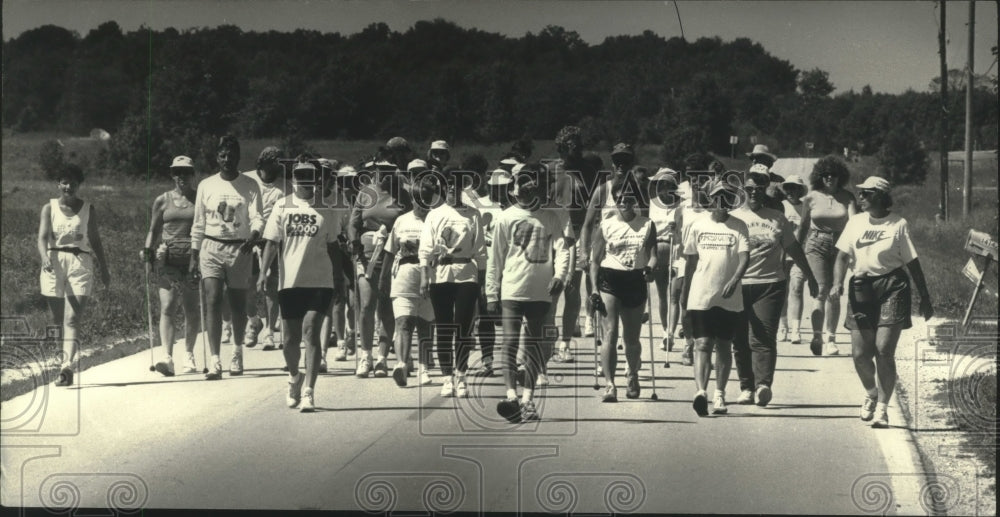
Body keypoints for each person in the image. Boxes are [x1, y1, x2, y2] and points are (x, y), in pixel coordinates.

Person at [832, 176, 933, 428]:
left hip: (892, 287)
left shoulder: (898, 224)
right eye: (861, 193)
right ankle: (871, 393)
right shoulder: (855, 222)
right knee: (859, 354)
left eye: (866, 193)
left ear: (880, 196)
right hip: (860, 288)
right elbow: (842, 258)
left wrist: (925, 296)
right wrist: (836, 283)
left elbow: (912, 262)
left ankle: (883, 409)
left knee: (883, 350)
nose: (861, 197)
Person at [258, 161, 345, 412]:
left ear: (316, 179)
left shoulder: (327, 209)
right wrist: (263, 273)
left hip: (320, 281)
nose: (305, 179)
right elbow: (272, 243)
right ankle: (294, 377)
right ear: (294, 178)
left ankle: (309, 391)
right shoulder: (282, 205)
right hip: (290, 282)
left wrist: (338, 278)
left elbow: (333, 246)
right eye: (300, 175)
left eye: (310, 175)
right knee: (290, 340)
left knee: (311, 333)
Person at [487, 164, 570, 422]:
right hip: (512, 288)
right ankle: (511, 395)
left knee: (533, 346)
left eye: (529, 186)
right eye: (520, 187)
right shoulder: (505, 217)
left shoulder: (551, 217)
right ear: (514, 190)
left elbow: (563, 249)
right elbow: (495, 258)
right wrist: (491, 292)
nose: (523, 191)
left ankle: (528, 399)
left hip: (541, 290)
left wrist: (560, 275)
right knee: (510, 342)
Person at [730, 172, 819, 407]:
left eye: (759, 188)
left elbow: (794, 248)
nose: (754, 192)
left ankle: (763, 385)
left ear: (766, 190)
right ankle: (746, 387)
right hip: (739, 284)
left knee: (763, 336)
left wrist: (810, 276)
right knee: (739, 339)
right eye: (749, 189)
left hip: (770, 283)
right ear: (743, 191)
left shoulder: (777, 218)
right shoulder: (734, 217)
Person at [189, 135, 264, 380]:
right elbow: (198, 223)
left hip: (240, 247)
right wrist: (194, 254)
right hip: (211, 246)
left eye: (231, 155)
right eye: (222, 155)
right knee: (212, 299)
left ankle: (237, 350)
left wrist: (254, 235)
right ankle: (214, 359)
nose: (227, 160)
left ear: (238, 158)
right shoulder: (206, 185)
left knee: (237, 303)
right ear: (217, 158)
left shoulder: (250, 185)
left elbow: (258, 217)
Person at [37, 163, 111, 387]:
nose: (68, 186)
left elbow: (96, 240)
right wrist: (44, 256)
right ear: (58, 183)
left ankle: (66, 366)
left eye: (73, 182)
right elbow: (41, 238)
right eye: (64, 182)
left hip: (81, 262)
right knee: (58, 320)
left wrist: (104, 269)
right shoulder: (48, 208)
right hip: (53, 262)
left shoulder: (89, 208)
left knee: (72, 318)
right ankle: (63, 363)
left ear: (79, 184)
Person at [681, 179, 749, 416]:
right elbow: (689, 261)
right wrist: (684, 293)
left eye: (727, 198)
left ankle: (719, 394)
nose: (722, 202)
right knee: (702, 343)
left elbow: (744, 258)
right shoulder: (697, 225)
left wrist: (734, 280)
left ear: (731, 202)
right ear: (711, 200)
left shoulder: (739, 226)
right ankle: (701, 392)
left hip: (729, 296)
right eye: (718, 197)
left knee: (723, 346)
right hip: (701, 294)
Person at [420, 166, 487, 398]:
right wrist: (423, 278)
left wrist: (483, 281)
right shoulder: (434, 214)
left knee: (463, 326)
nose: (452, 190)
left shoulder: (472, 214)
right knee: (444, 327)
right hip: (440, 273)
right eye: (449, 186)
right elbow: (426, 249)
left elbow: (480, 250)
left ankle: (461, 375)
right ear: (443, 188)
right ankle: (447, 376)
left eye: (457, 187)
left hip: (466, 273)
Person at [590, 179, 657, 402]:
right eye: (620, 198)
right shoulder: (606, 224)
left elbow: (654, 255)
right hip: (610, 279)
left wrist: (650, 267)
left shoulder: (647, 224)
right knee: (610, 333)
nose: (624, 202)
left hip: (635, 279)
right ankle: (610, 385)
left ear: (635, 200)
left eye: (629, 198)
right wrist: (593, 290)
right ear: (614, 200)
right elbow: (595, 261)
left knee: (632, 337)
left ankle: (632, 374)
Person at [349, 160, 412, 377]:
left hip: (391, 255)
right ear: (375, 172)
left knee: (386, 305)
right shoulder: (365, 193)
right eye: (380, 171)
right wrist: (353, 240)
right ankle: (365, 354)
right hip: (366, 255)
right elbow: (354, 222)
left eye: (389, 171)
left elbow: (411, 222)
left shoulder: (402, 195)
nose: (384, 175)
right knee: (367, 303)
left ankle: (382, 358)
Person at [144, 156, 200, 376]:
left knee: (191, 308)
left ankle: (188, 354)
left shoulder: (199, 199)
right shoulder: (162, 200)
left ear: (192, 174)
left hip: (192, 259)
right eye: (177, 172)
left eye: (186, 172)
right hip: (167, 258)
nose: (182, 176)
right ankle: (167, 357)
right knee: (167, 306)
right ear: (172, 174)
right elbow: (153, 230)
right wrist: (148, 252)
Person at [797, 156, 857, 356]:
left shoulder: (848, 197)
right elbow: (804, 225)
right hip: (816, 244)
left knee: (836, 290)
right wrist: (797, 249)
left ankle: (831, 338)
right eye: (826, 175)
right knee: (821, 290)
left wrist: (856, 251)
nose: (830, 178)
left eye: (834, 175)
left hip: (841, 244)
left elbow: (855, 223)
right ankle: (817, 335)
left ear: (841, 177)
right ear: (820, 177)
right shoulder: (811, 197)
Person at [381, 177, 437, 387]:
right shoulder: (401, 221)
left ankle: (423, 368)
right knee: (403, 322)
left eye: (427, 200)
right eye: (419, 200)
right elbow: (389, 251)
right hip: (404, 274)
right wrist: (383, 278)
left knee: (425, 324)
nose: (423, 204)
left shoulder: (436, 220)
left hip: (430, 275)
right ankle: (402, 365)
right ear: (412, 200)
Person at [550, 126, 603, 345]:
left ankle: (567, 338)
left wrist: (591, 232)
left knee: (572, 286)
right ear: (561, 147)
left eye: (578, 145)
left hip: (579, 231)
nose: (575, 149)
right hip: (553, 233)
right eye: (570, 145)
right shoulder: (550, 171)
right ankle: (550, 330)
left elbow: (595, 203)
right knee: (550, 287)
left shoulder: (589, 170)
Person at [461, 155, 509, 376]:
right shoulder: (461, 199)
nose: (474, 179)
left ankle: (500, 358)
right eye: (469, 175)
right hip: (471, 264)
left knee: (497, 314)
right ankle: (477, 358)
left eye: (478, 174)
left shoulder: (498, 202)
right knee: (473, 315)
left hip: (497, 264)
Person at [242, 146, 288, 350]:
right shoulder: (248, 179)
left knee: (272, 285)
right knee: (247, 286)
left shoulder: (285, 187)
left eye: (278, 164)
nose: (275, 168)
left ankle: (269, 330)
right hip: (250, 237)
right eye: (272, 163)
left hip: (274, 240)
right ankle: (253, 321)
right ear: (262, 163)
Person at [674, 152, 715, 366]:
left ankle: (707, 345)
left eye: (698, 176)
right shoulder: (683, 204)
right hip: (687, 260)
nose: (695, 180)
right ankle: (688, 343)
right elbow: (678, 233)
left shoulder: (714, 203)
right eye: (690, 176)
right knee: (685, 304)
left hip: (709, 260)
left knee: (709, 305)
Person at [647, 168, 683, 352]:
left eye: (670, 185)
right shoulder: (652, 204)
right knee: (662, 295)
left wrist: (677, 228)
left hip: (676, 250)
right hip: (658, 250)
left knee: (675, 295)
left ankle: (671, 333)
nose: (666, 189)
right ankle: (664, 331)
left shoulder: (682, 205)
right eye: (662, 185)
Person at [778, 174, 809, 343]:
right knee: (782, 291)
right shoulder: (780, 206)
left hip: (799, 255)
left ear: (800, 191)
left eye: (795, 188)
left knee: (797, 288)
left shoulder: (805, 208)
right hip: (781, 255)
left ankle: (796, 330)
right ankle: (783, 327)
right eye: (788, 188)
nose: (791, 191)